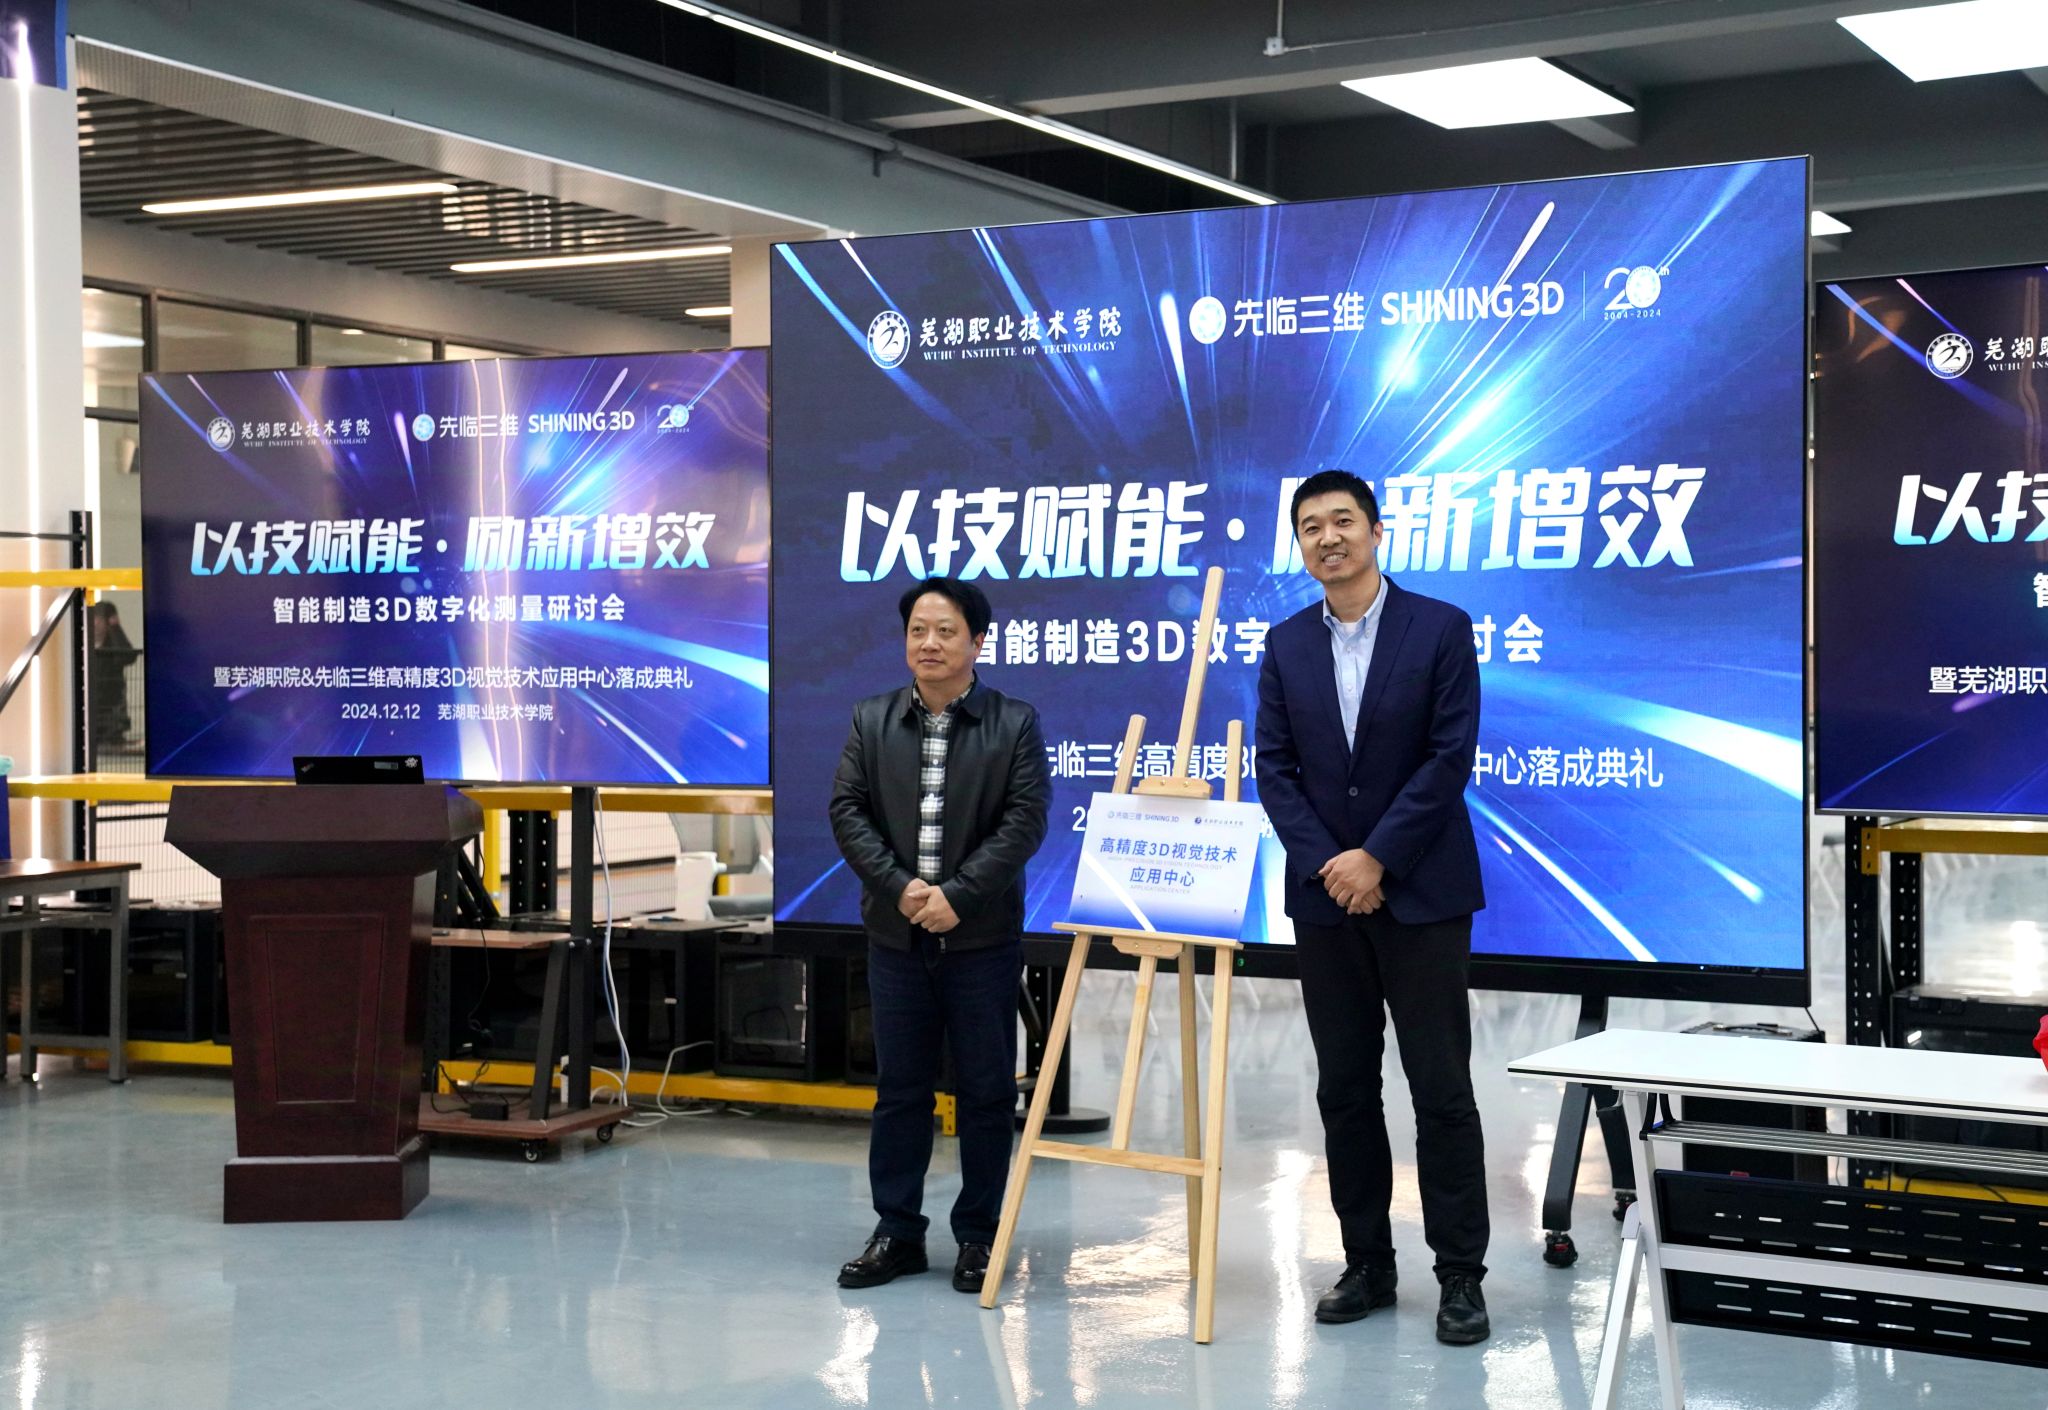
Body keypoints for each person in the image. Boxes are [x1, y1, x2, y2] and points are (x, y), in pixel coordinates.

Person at [1253, 468, 1492, 1345]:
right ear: (1300, 544)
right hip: (1327, 905)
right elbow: (1274, 769)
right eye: (1310, 526)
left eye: (1343, 520)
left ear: (1377, 530)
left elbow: (1448, 756)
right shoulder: (1286, 644)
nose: (1328, 538)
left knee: (1441, 1089)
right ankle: (1367, 1263)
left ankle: (1460, 1275)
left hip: (1421, 894)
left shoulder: (1440, 627)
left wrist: (1378, 856)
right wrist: (1333, 866)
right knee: (1346, 1090)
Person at [828, 575, 1051, 1294]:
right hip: (896, 940)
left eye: (946, 630)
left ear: (977, 642)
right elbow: (848, 812)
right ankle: (897, 1232)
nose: (929, 643)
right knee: (900, 1092)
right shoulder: (871, 719)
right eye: (917, 630)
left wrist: (957, 896)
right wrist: (901, 889)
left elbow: (1024, 822)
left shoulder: (1014, 722)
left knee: (985, 1093)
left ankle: (980, 1236)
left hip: (980, 940)